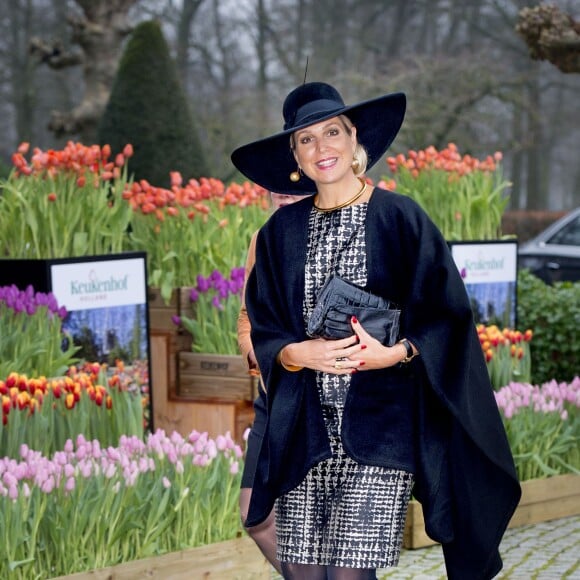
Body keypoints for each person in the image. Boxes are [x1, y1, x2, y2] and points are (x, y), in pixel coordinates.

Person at [231, 82, 521, 580]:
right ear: (294, 155)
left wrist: (400, 353)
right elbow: (263, 324)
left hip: (381, 426)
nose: (322, 148)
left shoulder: (400, 218)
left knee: (349, 575)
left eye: (332, 133)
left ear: (354, 139)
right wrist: (296, 353)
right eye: (306, 140)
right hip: (306, 427)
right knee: (303, 571)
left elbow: (447, 315)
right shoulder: (280, 235)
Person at [237, 191, 312, 575]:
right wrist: (261, 354)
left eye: (293, 182)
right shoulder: (262, 238)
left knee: (327, 532)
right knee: (254, 514)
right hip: (274, 396)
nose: (282, 191)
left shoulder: (341, 233)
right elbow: (247, 320)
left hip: (323, 402)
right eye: (275, 183)